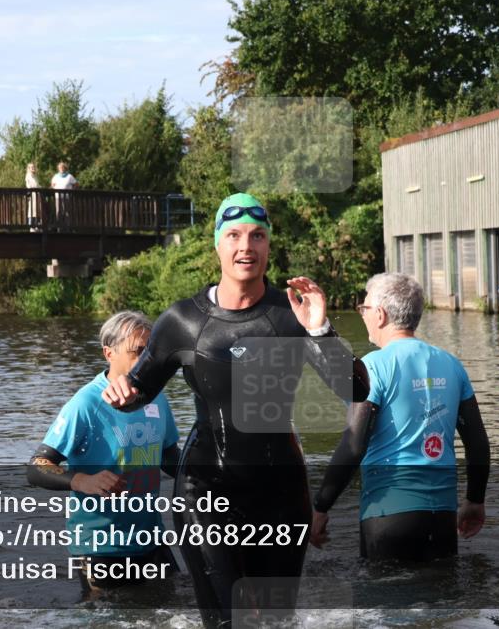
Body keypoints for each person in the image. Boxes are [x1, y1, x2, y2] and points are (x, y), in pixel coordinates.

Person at [101, 192, 370, 628]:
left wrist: (320, 327)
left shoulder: (293, 315)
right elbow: (139, 390)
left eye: (257, 236)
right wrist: (121, 392)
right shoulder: (182, 320)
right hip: (205, 490)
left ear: (268, 246)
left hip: (281, 496)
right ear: (218, 246)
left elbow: (355, 389)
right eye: (234, 235)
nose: (246, 245)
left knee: (277, 621)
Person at [309, 272, 490, 562]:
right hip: (443, 515)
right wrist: (475, 501)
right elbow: (477, 443)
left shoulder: (375, 366)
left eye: (364, 308)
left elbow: (354, 446)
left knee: (384, 600)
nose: (363, 315)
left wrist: (320, 506)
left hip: (387, 516)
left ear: (379, 314)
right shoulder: (451, 364)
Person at [27, 311, 181, 600]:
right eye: (138, 351)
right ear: (109, 353)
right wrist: (82, 480)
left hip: (151, 537)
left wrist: (215, 472)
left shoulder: (156, 397)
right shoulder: (86, 403)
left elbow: (171, 458)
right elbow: (37, 467)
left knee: (175, 609)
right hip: (100, 545)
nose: (147, 361)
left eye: (151, 352)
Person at [50, 161, 77, 229]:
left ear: (65, 168)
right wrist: (54, 188)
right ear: (58, 169)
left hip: (66, 197)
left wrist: (71, 190)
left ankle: (67, 227)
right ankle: (59, 227)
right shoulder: (56, 176)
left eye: (63, 167)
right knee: (58, 212)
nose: (61, 168)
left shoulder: (69, 176)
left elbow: (76, 184)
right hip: (58, 197)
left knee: (67, 211)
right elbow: (52, 185)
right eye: (60, 167)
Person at [25, 163, 41, 230]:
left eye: (34, 167)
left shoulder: (35, 176)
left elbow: (37, 185)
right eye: (31, 167)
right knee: (32, 211)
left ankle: (36, 225)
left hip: (36, 195)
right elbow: (29, 185)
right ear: (29, 168)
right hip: (32, 195)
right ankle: (31, 226)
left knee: (37, 211)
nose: (33, 168)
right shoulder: (29, 176)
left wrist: (41, 188)